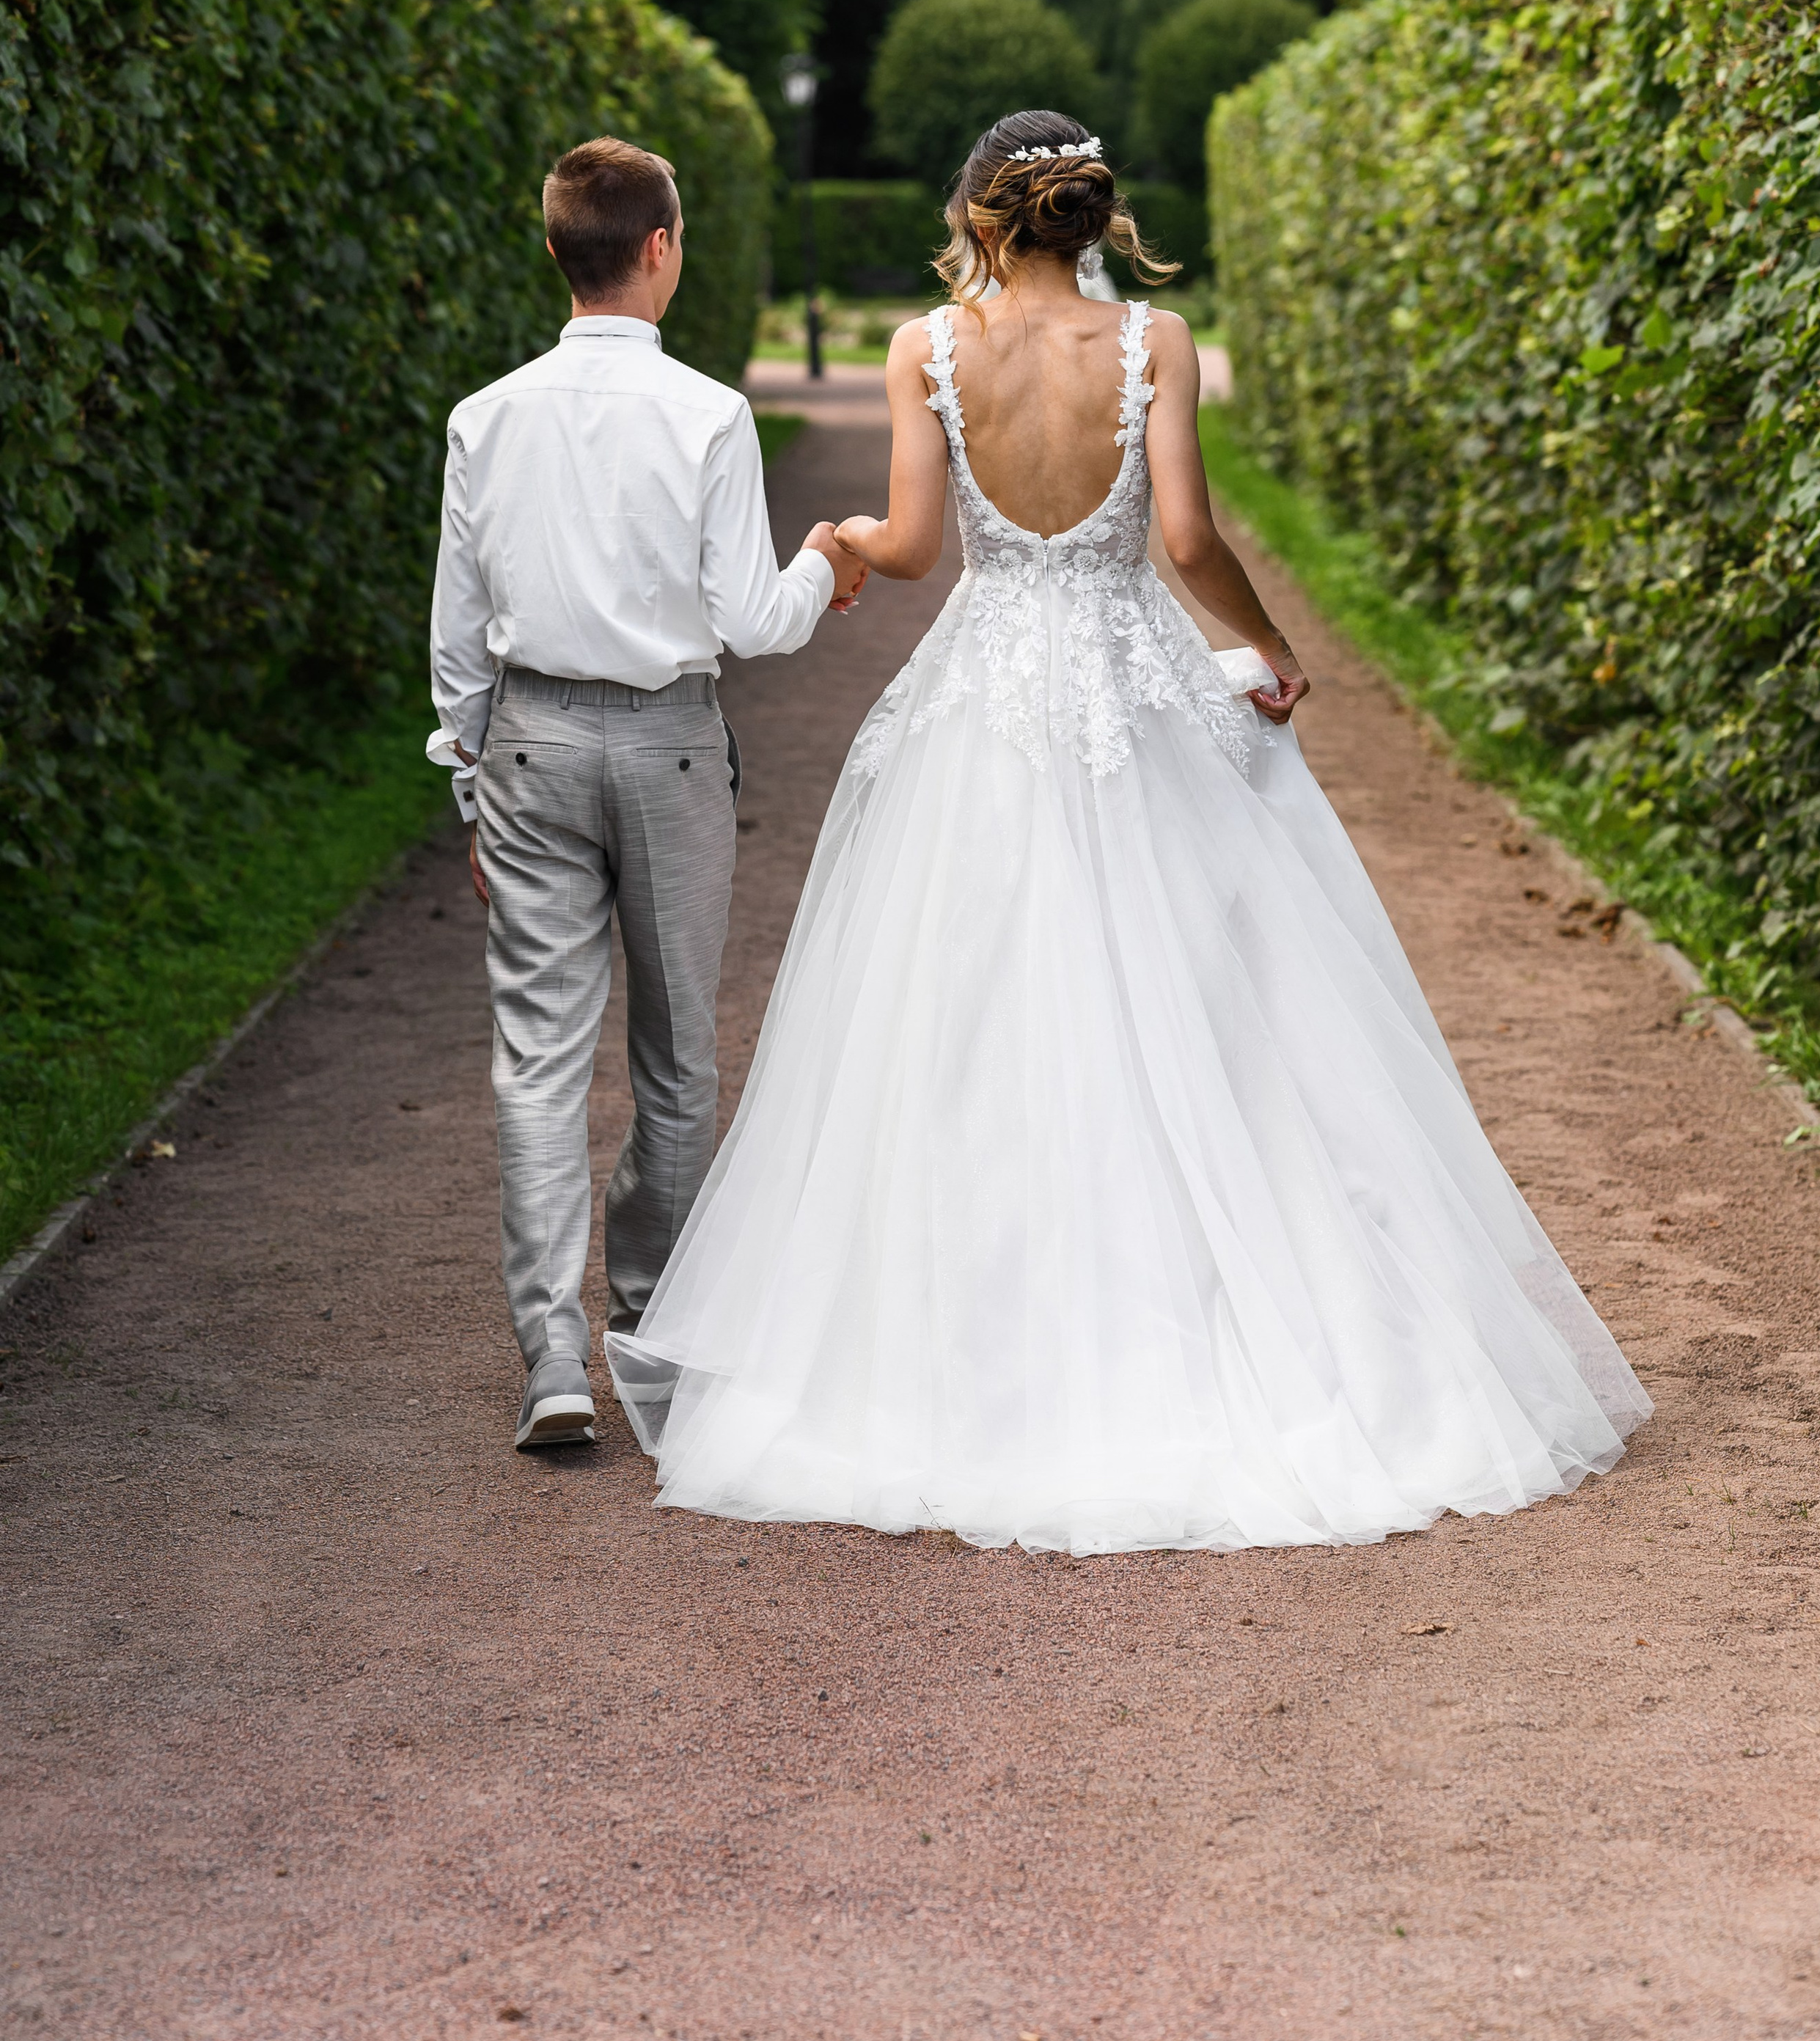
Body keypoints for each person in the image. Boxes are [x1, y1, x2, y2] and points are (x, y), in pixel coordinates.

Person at [604, 110, 1649, 1553]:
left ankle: (967, 1346)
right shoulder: (1154, 347)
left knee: (958, 1013)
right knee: (1207, 998)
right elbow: (1184, 540)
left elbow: (912, 549)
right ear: (1090, 214)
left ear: (980, 214)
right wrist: (1266, 645)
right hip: (1128, 684)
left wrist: (839, 542)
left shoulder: (925, 349)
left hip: (980, 696)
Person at [428, 135, 867, 1450]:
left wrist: (467, 781)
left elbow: (459, 628)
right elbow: (748, 617)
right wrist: (822, 566)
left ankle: (552, 1358)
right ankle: (654, 1335)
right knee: (677, 1057)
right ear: (663, 247)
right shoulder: (710, 415)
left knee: (536, 1062)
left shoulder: (483, 417)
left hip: (530, 745)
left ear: (555, 249)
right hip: (671, 744)